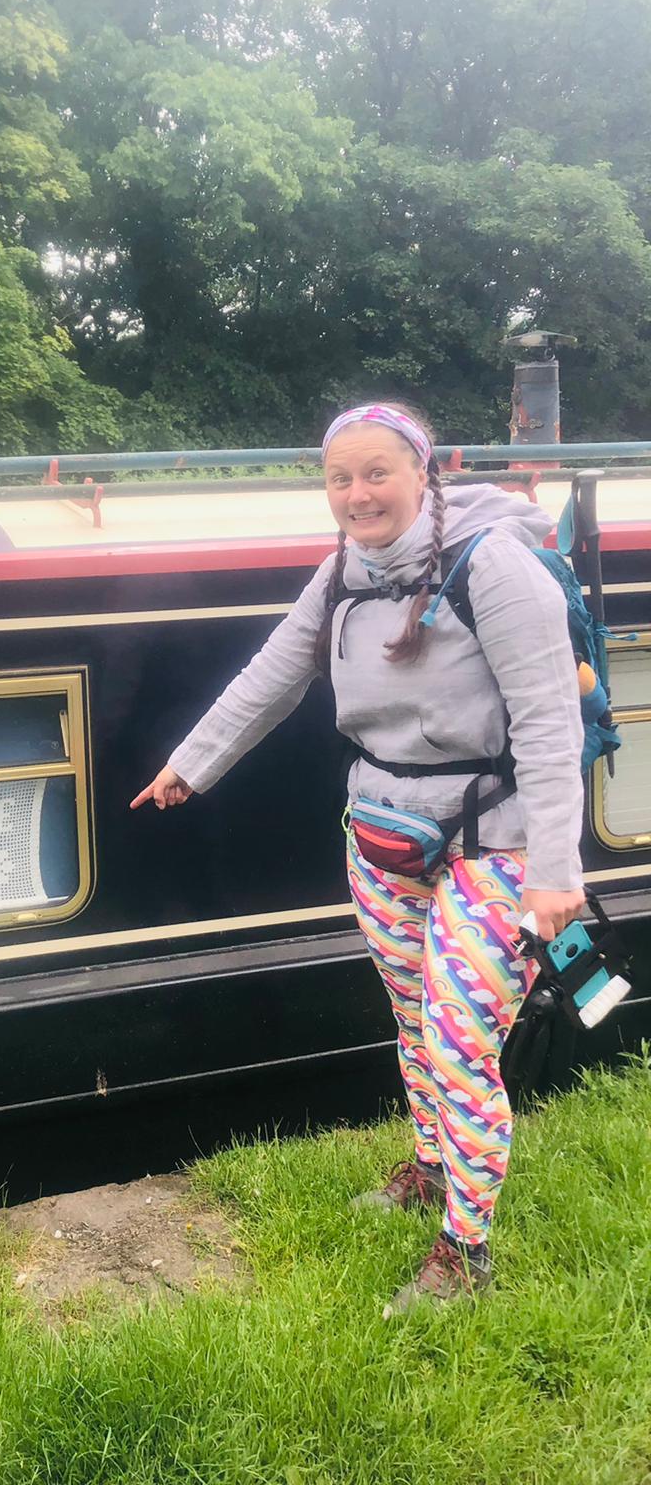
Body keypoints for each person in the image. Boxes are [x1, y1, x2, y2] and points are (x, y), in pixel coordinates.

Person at [131, 402, 586, 1317]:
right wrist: (192, 763)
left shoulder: (491, 567)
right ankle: (428, 1164)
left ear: (423, 473)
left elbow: (548, 719)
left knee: (460, 1043)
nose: (357, 493)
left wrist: (556, 870)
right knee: (413, 1015)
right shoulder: (342, 571)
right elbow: (272, 672)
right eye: (340, 477)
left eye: (377, 472)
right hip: (382, 828)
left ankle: (465, 1247)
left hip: (492, 838)